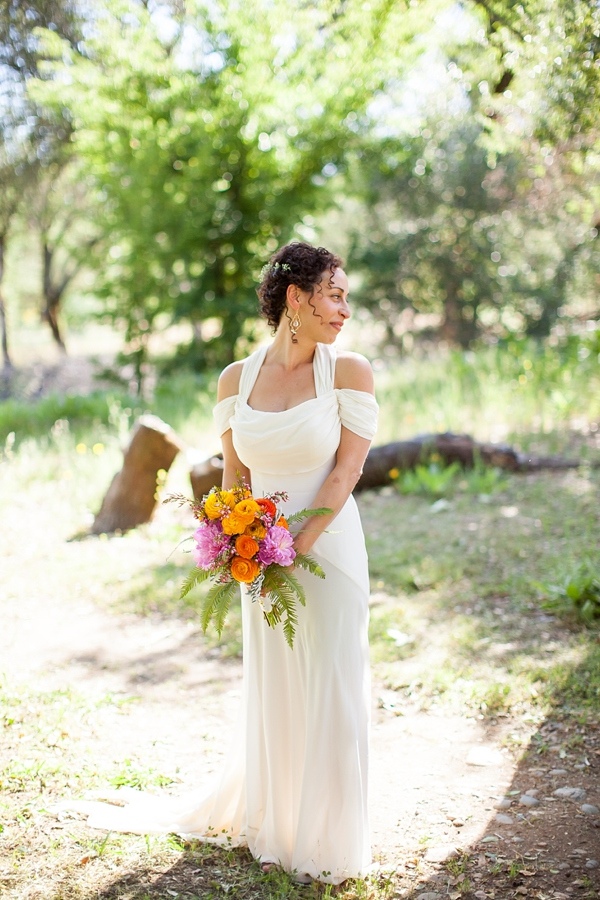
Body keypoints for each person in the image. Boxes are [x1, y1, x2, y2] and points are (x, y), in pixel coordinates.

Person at [61, 241, 378, 886]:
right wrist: (234, 542)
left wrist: (297, 546)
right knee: (278, 685)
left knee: (334, 685)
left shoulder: (349, 372)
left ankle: (330, 839)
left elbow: (346, 471)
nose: (345, 309)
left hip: (327, 550)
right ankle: (279, 820)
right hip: (257, 557)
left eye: (346, 296)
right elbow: (234, 475)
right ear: (297, 298)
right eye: (335, 294)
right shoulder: (236, 379)